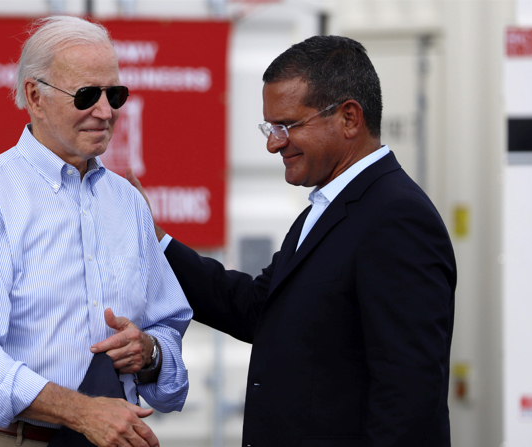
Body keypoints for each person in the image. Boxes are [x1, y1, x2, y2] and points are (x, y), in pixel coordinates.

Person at [127, 35, 456, 446]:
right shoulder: (328, 208)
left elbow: (409, 399)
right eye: (270, 126)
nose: (273, 143)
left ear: (349, 118)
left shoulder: (397, 219)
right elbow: (253, 309)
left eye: (287, 125)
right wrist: (154, 238)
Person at [0, 16, 192, 447]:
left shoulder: (128, 202)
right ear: (35, 96)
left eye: (116, 94)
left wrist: (149, 353)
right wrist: (82, 411)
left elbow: (170, 324)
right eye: (87, 95)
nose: (106, 111)